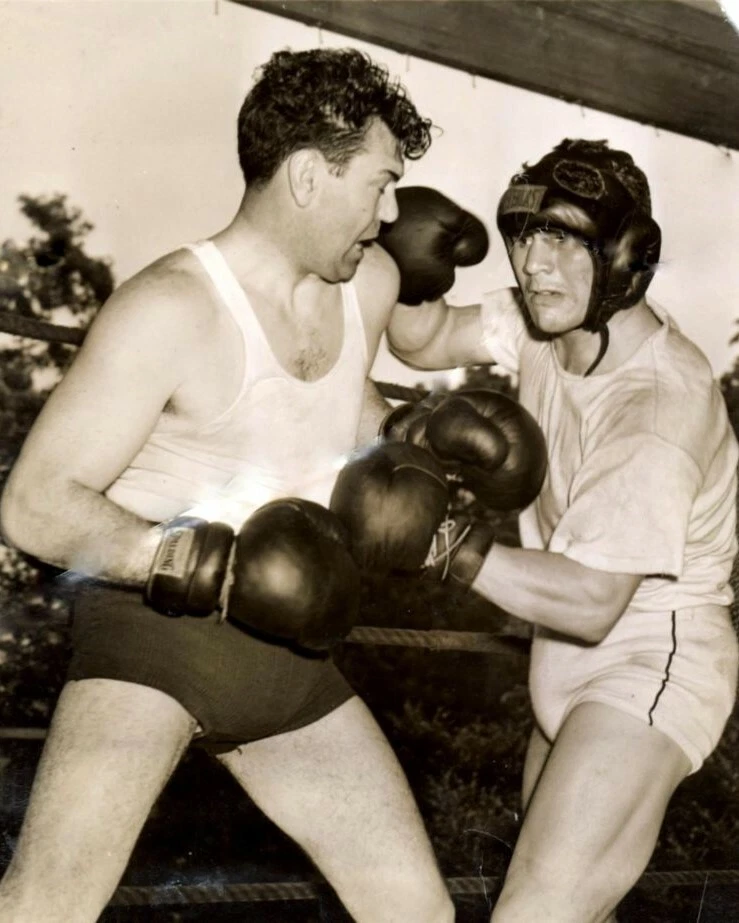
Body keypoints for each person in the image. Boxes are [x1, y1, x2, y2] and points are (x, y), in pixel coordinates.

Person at [0, 47, 457, 923]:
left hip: (294, 648)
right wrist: (186, 555)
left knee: (416, 912)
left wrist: (407, 462)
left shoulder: (369, 286)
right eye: (378, 182)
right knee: (46, 908)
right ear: (305, 178)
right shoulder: (169, 309)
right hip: (154, 642)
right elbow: (32, 502)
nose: (389, 212)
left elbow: (346, 411)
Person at [333, 139, 739, 922]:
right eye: (523, 235)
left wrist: (443, 541)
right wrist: (413, 263)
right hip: (563, 648)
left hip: (650, 663)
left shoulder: (655, 406)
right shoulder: (546, 319)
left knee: (530, 914)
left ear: (624, 257)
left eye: (561, 239)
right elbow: (420, 340)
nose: (532, 263)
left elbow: (593, 601)